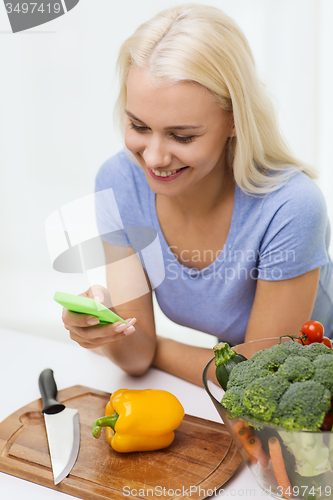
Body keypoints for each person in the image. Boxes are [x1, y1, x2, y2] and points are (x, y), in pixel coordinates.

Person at [62, 4, 333, 387]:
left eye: (182, 136)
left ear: (235, 120)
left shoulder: (291, 207)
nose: (154, 158)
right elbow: (136, 357)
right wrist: (106, 329)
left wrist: (156, 345)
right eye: (139, 125)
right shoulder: (119, 182)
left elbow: (260, 376)